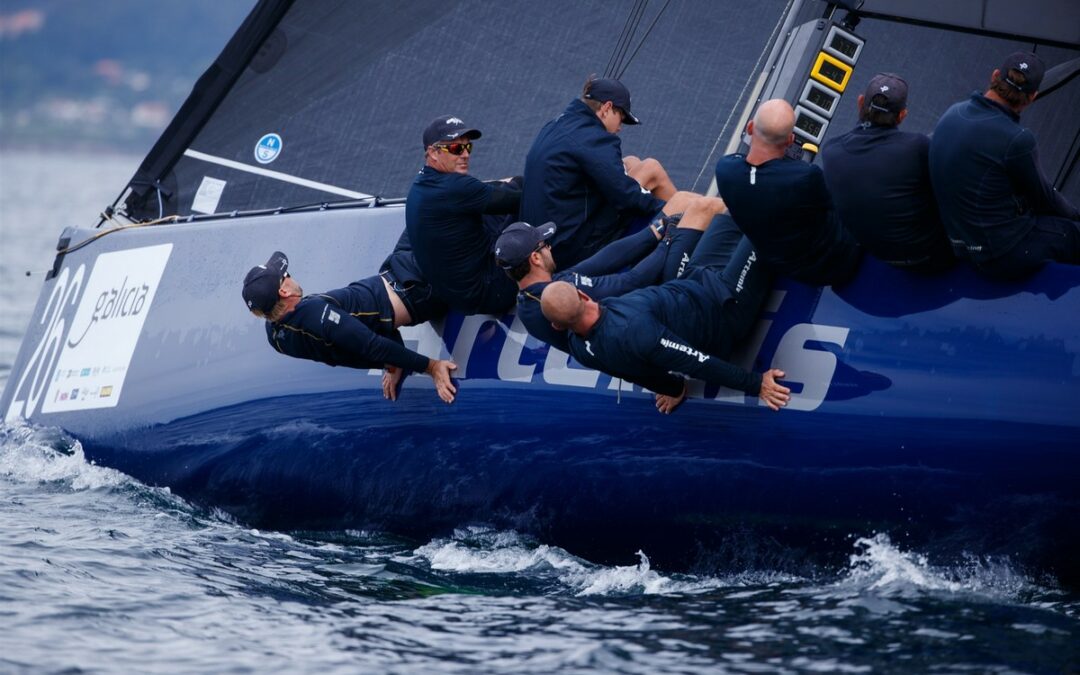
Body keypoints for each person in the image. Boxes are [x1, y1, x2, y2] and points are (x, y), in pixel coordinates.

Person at [540, 228, 790, 414]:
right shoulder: (638, 331)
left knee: (729, 212)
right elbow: (698, 362)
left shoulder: (579, 347)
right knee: (761, 221)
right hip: (725, 307)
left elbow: (637, 375)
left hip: (697, 279)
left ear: (557, 326)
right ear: (583, 294)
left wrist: (674, 389)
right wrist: (757, 384)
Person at [496, 197, 731, 352]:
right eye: (544, 244)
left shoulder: (531, 295)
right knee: (703, 209)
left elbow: (600, 261)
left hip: (637, 315)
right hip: (660, 319)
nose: (549, 246)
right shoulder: (563, 293)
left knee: (680, 201)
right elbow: (633, 281)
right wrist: (669, 238)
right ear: (535, 258)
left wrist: (654, 231)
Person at [928, 51, 1080, 279]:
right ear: (1032, 97)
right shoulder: (1017, 139)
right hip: (997, 256)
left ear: (995, 75)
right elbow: (1044, 198)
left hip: (955, 244)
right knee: (1071, 233)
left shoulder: (953, 112)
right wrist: (1076, 215)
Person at [242, 250, 458, 404]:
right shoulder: (316, 314)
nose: (290, 275)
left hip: (395, 273)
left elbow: (345, 352)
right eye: (286, 275)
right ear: (284, 292)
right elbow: (372, 345)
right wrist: (431, 367)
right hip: (414, 288)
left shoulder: (276, 337)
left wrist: (392, 363)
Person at [520, 76, 673, 267]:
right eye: (622, 118)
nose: (620, 127)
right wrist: (663, 209)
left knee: (631, 162)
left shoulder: (556, 125)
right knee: (652, 169)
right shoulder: (594, 139)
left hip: (542, 240)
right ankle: (687, 223)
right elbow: (627, 196)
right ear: (607, 108)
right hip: (571, 248)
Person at [714, 99, 862, 286]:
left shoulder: (724, 169)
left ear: (750, 128)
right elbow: (839, 204)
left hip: (785, 266)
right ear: (790, 140)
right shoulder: (806, 176)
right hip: (838, 262)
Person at [820, 73, 953, 272]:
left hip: (883, 258)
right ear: (902, 115)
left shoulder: (830, 151)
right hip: (937, 255)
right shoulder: (917, 146)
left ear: (860, 102)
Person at [405, 115, 523, 315]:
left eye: (468, 147)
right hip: (489, 294)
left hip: (455, 294)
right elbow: (522, 199)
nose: (465, 155)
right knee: (533, 211)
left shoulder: (420, 185)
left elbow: (483, 192)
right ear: (433, 153)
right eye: (455, 149)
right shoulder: (456, 187)